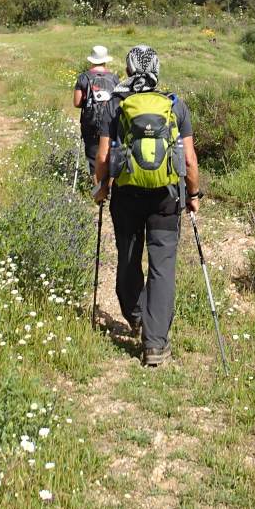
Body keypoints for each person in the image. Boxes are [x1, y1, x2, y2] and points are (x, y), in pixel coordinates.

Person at [93, 45, 202, 367]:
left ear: (127, 71)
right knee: (162, 266)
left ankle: (136, 314)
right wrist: (193, 195)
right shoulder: (175, 104)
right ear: (157, 69)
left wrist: (101, 188)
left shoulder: (116, 105)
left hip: (127, 195)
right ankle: (155, 345)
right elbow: (191, 160)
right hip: (166, 197)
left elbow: (102, 157)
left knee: (128, 257)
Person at [73, 46, 118, 169]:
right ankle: (109, 186)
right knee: (110, 155)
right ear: (105, 60)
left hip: (90, 122)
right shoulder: (114, 78)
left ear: (91, 60)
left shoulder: (83, 77)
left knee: (93, 159)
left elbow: (77, 103)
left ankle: (97, 186)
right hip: (110, 122)